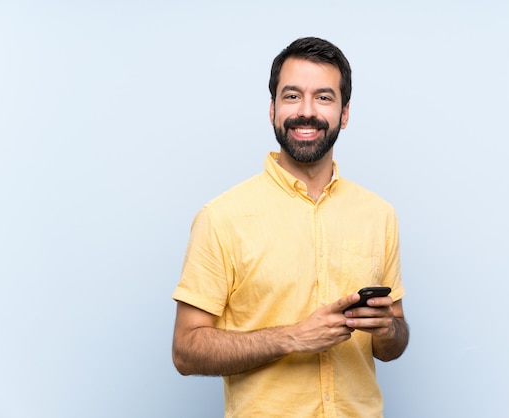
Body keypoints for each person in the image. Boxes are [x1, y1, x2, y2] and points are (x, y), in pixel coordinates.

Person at [172, 36, 409, 417]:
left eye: (324, 97)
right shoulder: (221, 217)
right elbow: (185, 351)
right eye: (292, 96)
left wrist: (386, 330)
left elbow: (393, 344)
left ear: (345, 114)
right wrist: (293, 338)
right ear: (272, 109)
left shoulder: (379, 214)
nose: (307, 111)